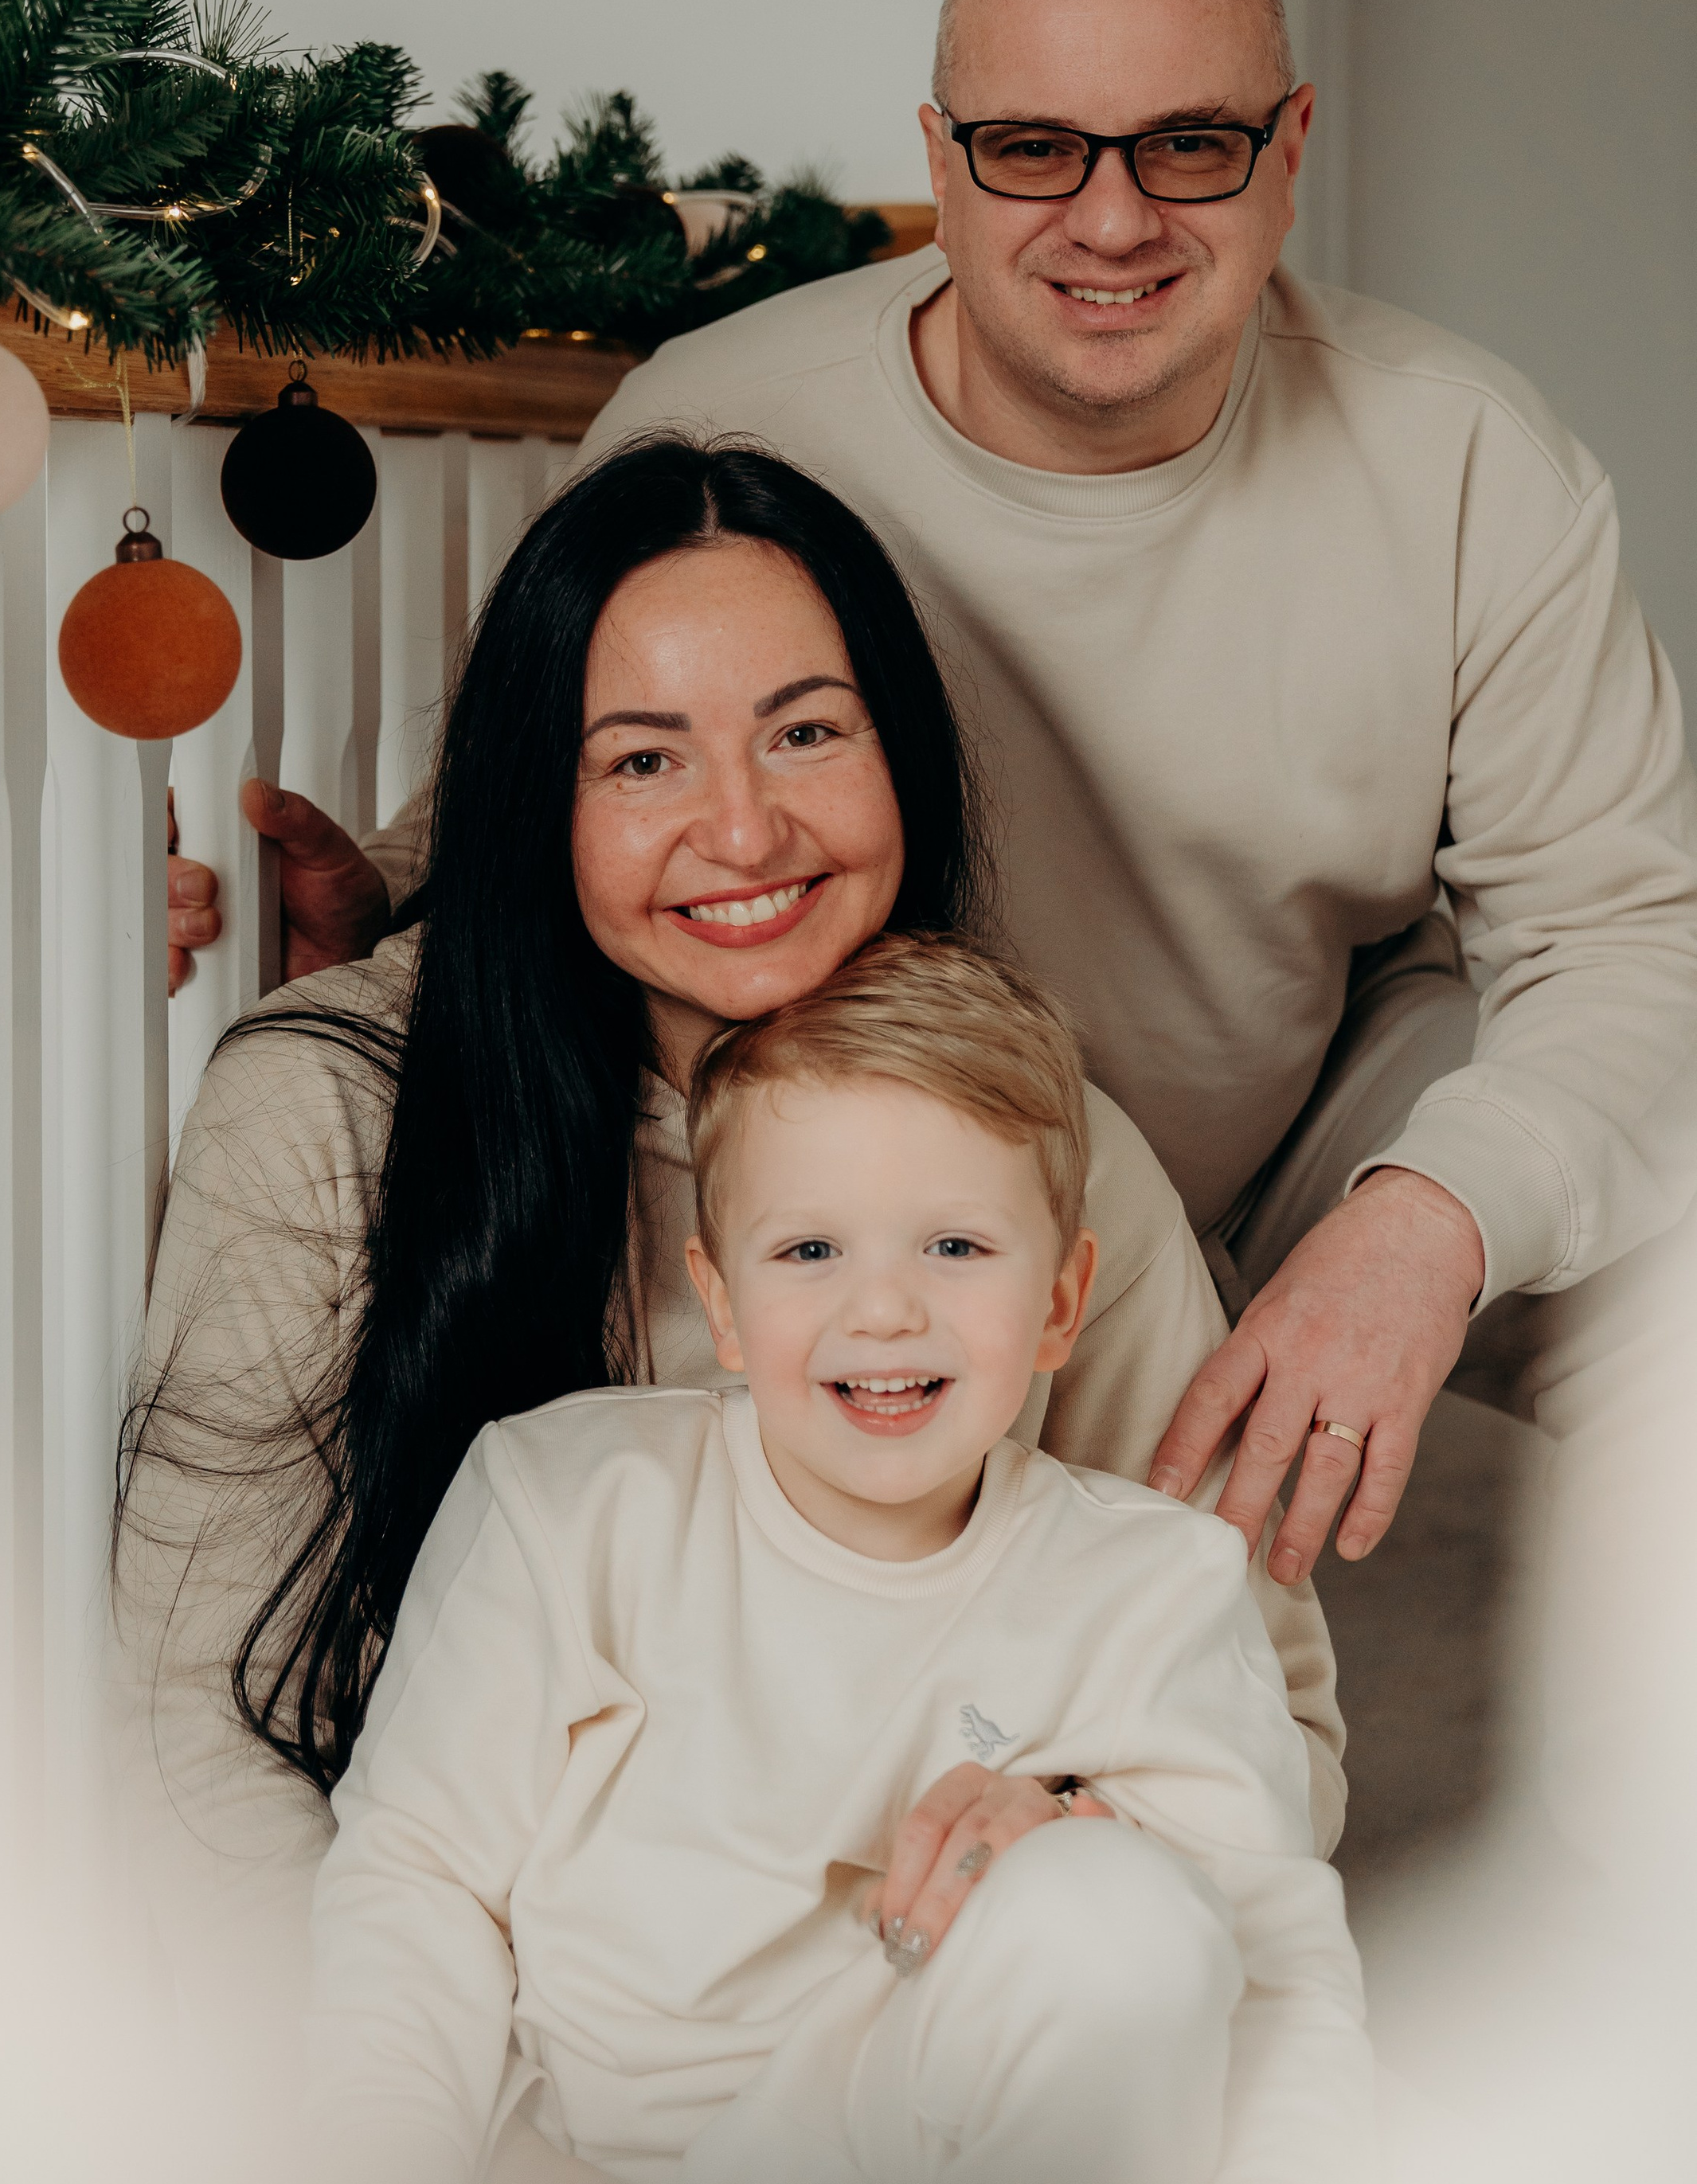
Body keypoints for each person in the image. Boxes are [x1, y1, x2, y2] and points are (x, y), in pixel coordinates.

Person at [190, 0, 1697, 1613]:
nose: (1112, 219)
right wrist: (389, 897)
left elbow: (1623, 937)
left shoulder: (1467, 459)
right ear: (944, 159)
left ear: (1288, 152)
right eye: (1035, 148)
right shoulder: (724, 418)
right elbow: (589, 779)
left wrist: (1424, 1222)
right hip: (871, 1137)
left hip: (1301, 1115)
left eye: (1188, 145)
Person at [119, 439, 1341, 2084]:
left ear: (901, 754)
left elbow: (1269, 1725)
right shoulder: (329, 1110)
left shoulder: (1044, 1144)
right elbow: (199, 1739)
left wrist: (1081, 1826)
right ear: (535, 801)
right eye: (641, 761)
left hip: (923, 2081)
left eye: (807, 732)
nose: (745, 828)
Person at [308, 936, 1367, 2184]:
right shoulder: (569, 1503)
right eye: (810, 1249)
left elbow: (1281, 1984)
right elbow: (415, 1891)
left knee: (1126, 1912)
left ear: (1060, 1302)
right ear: (722, 1302)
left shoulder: (1156, 1587)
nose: (884, 1308)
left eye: (956, 1246)